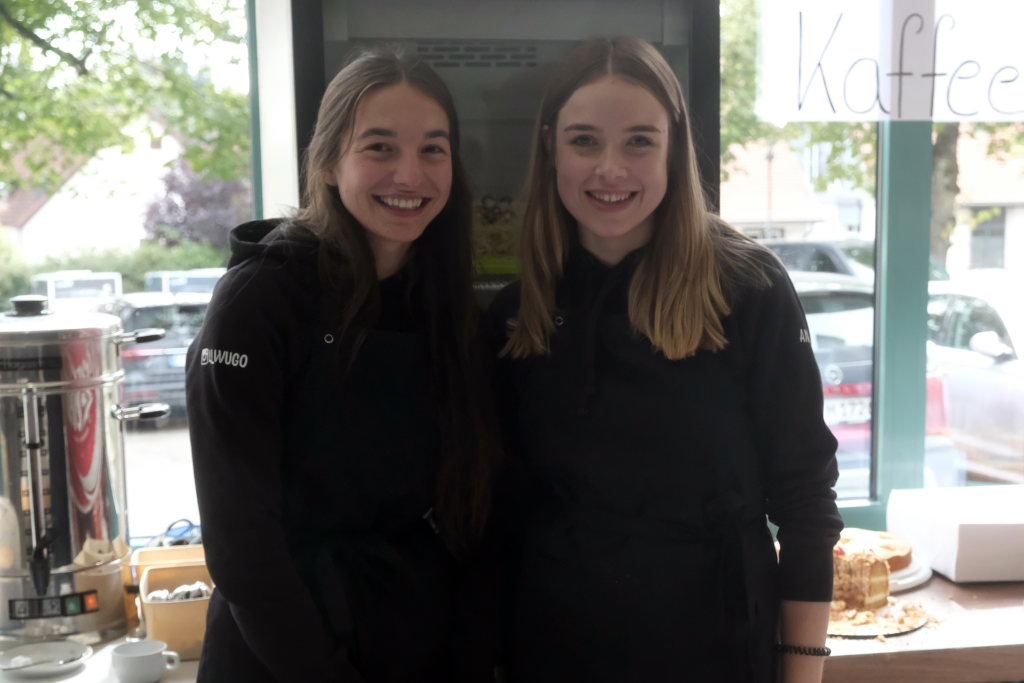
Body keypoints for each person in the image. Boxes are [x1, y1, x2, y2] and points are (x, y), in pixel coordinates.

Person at [484, 36, 843, 683]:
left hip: (716, 642)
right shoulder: (519, 313)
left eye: (639, 141)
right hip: (558, 642)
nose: (610, 168)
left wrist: (802, 671)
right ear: (550, 147)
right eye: (585, 141)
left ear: (675, 149)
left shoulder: (749, 289)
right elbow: (501, 515)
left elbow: (805, 500)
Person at [186, 49, 497, 683]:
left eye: (433, 150)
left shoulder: (441, 299)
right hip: (279, 649)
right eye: (380, 147)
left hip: (408, 628)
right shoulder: (257, 301)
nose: (410, 174)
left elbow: (468, 506)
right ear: (327, 163)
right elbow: (243, 547)